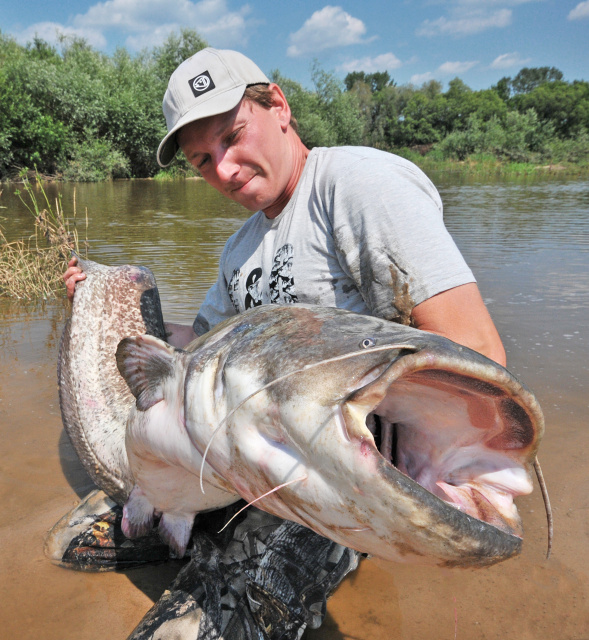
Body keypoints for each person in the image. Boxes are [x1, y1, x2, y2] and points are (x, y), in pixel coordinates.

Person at [64, 47, 506, 638]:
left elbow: (475, 352)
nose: (224, 168)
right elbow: (194, 348)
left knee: (193, 627)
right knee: (79, 540)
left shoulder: (357, 185)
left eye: (233, 134)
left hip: (334, 468)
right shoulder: (240, 248)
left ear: (278, 105)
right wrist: (102, 299)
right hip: (240, 457)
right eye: (202, 159)